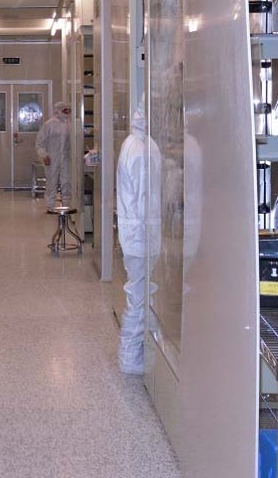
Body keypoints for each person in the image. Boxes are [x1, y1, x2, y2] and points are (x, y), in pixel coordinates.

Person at [116, 102, 161, 375]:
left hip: (140, 232)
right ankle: (131, 358)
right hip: (140, 234)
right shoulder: (140, 149)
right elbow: (145, 198)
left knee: (142, 293)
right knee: (139, 296)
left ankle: (140, 353)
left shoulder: (139, 143)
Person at [35, 101, 72, 210]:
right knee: (52, 182)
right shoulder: (49, 124)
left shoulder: (70, 124)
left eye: (68, 110)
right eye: (65, 110)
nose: (67, 112)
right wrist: (44, 155)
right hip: (52, 157)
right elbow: (39, 142)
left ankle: (66, 204)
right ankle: (50, 205)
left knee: (67, 182)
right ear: (59, 110)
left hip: (66, 157)